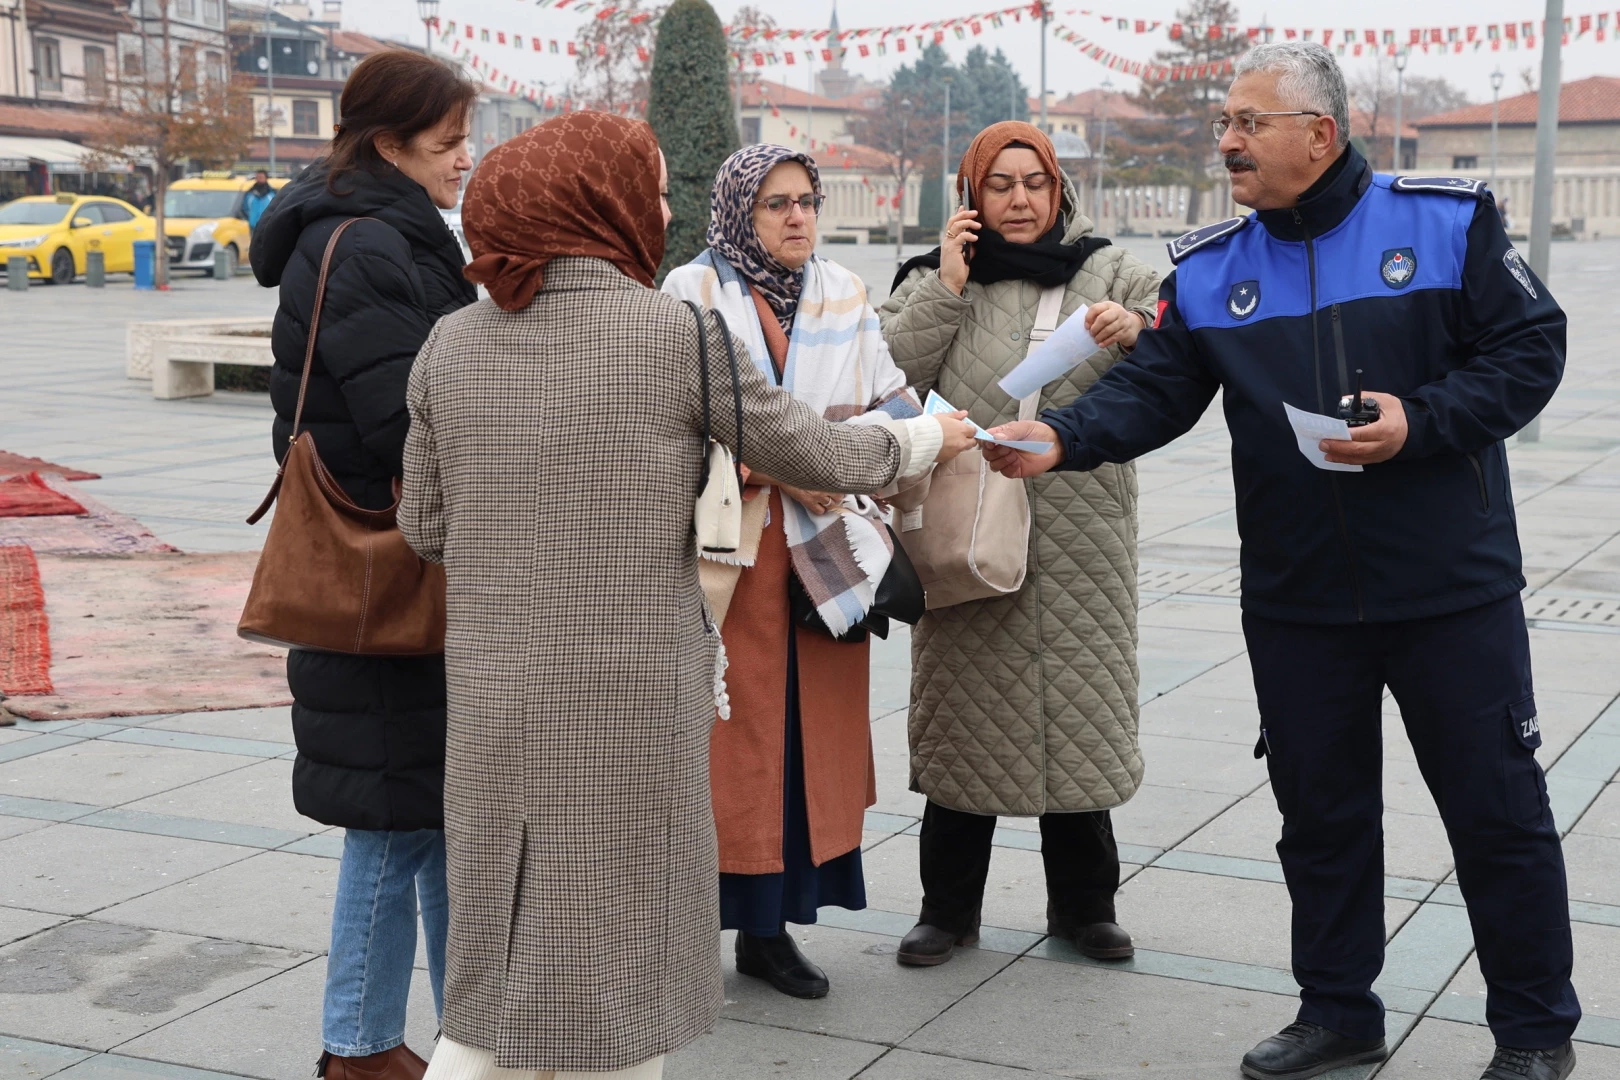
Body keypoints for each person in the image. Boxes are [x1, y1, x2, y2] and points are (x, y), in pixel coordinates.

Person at [986, 43, 1579, 1080]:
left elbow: (1530, 347)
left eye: (1249, 122)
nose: (1227, 140)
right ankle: (1337, 1010)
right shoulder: (1212, 267)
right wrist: (1065, 438)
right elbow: (1158, 388)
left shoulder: (1446, 221)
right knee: (1321, 816)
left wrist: (1425, 420)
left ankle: (1534, 1031)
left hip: (1451, 589)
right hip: (1299, 599)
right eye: (1225, 121)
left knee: (1496, 812)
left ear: (1321, 131)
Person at [397, 113, 974, 1080]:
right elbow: (816, 452)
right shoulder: (679, 332)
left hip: (495, 697)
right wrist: (918, 442)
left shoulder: (449, 343)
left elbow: (424, 527)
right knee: (626, 953)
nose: (662, 209)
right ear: (600, 203)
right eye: (649, 189)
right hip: (635, 700)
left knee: (495, 945)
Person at [877, 120, 1160, 969]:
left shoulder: (1109, 268)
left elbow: (1180, 344)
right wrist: (946, 286)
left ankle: (1086, 908)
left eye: (1033, 181)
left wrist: (1136, 328)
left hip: (1082, 536)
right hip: (967, 536)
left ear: (1059, 187)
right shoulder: (935, 278)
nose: (1020, 199)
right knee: (965, 716)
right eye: (999, 184)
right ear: (972, 196)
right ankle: (948, 911)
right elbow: (887, 376)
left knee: (1078, 715)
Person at [250, 49, 478, 1080]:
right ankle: (358, 1047)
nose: (465, 160)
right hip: (380, 577)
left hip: (401, 577)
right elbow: (406, 426)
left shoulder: (379, 236)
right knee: (393, 822)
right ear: (391, 143)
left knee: (424, 812)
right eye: (449, 141)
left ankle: (450, 1029)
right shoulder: (368, 245)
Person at [662, 145, 937, 999]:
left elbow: (893, 401)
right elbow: (669, 423)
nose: (795, 217)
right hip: (728, 558)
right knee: (725, 743)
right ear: (738, 211)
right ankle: (687, 931)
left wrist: (834, 449)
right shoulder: (687, 293)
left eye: (806, 200)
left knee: (803, 744)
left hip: (824, 558)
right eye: (775, 203)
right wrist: (787, 455)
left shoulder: (843, 291)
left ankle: (770, 932)